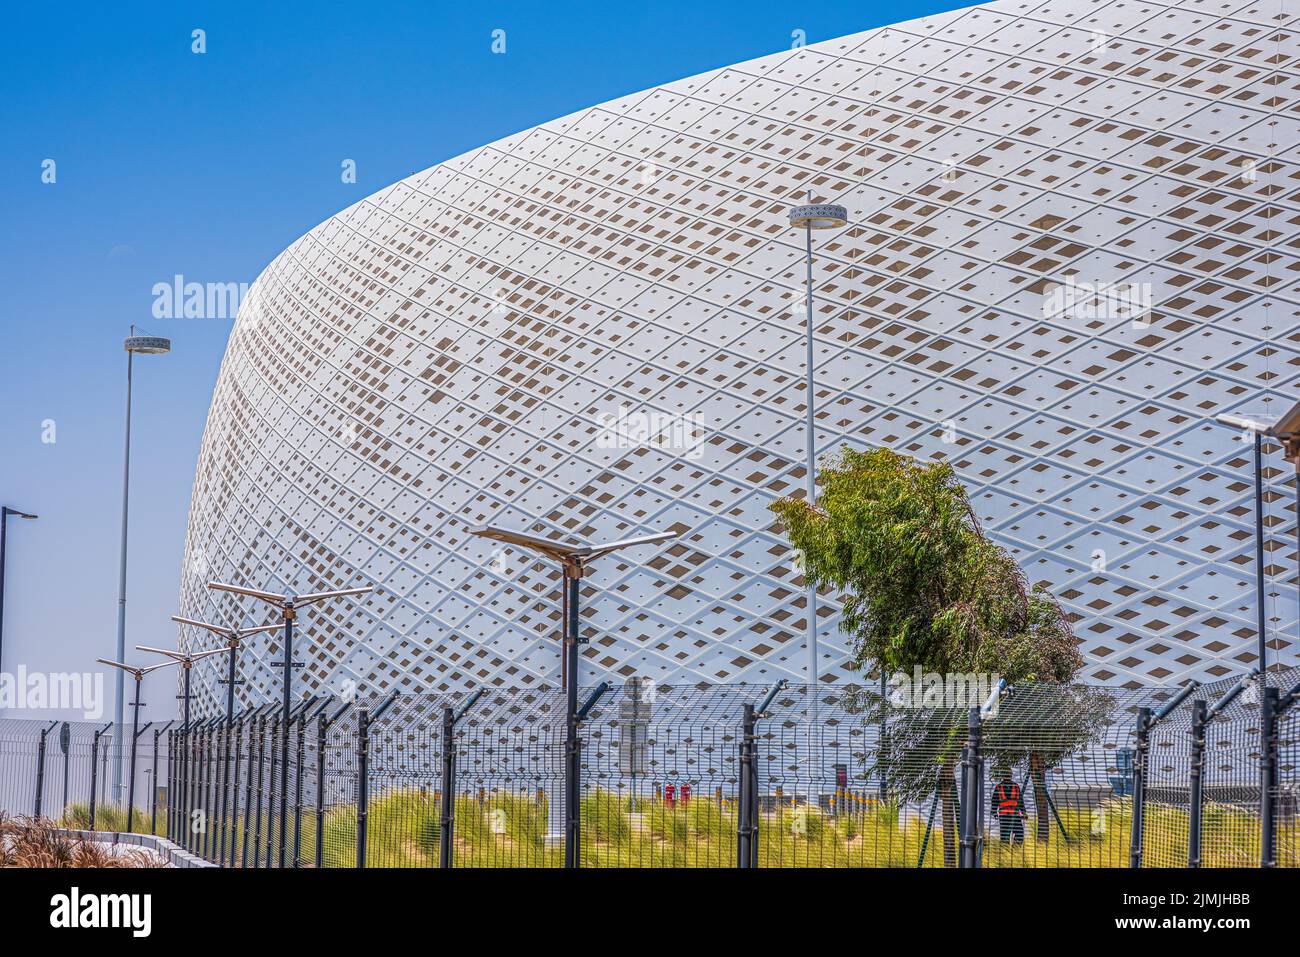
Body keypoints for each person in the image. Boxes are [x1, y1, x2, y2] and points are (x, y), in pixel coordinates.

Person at [993, 770, 1024, 844]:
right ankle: (1005, 853)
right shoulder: (998, 787)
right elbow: (994, 801)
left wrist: (1024, 812)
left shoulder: (1016, 786)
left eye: (1009, 775)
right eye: (1006, 775)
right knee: (1004, 837)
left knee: (1020, 834)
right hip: (1004, 815)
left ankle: (1015, 851)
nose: (1007, 777)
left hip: (1015, 814)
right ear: (1002, 777)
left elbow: (1020, 801)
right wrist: (994, 812)